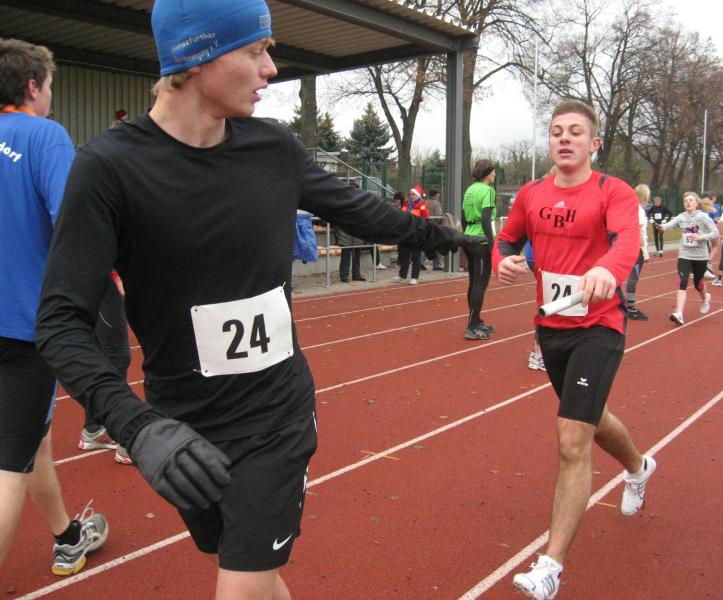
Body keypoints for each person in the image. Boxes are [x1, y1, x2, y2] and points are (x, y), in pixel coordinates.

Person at [34, 3, 480, 598]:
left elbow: (359, 210)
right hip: (182, 428)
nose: (271, 68)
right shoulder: (108, 169)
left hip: (276, 416)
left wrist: (443, 237)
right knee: (249, 571)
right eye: (255, 50)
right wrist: (136, 426)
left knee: (239, 585)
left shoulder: (273, 149)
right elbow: (60, 322)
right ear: (197, 56)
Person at [494, 100, 655, 600]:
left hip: (599, 326)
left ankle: (550, 567)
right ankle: (639, 466)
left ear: (593, 143)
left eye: (576, 132)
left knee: (570, 437)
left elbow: (627, 240)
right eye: (557, 131)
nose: (565, 139)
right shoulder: (531, 194)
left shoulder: (613, 191)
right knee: (590, 417)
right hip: (552, 328)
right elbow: (506, 240)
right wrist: (504, 261)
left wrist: (608, 268)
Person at [1, 37, 108, 576]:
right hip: (22, 327)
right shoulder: (44, 135)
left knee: (29, 441)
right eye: (49, 88)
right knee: (7, 467)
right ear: (32, 86)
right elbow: (75, 223)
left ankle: (67, 536)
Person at [78, 272, 133, 464]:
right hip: (104, 275)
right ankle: (122, 434)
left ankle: (94, 428)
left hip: (98, 274)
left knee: (101, 352)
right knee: (116, 354)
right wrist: (115, 274)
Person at [658, 191, 719, 325]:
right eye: (686, 201)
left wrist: (700, 237)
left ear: (696, 203)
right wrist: (662, 227)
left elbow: (715, 233)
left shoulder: (703, 217)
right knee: (682, 282)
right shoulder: (682, 217)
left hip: (700, 256)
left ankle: (705, 298)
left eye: (691, 200)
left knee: (698, 283)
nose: (688, 203)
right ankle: (679, 313)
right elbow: (668, 225)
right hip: (685, 254)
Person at [462, 159, 497, 339]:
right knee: (480, 284)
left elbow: (463, 217)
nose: (495, 174)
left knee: (473, 282)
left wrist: (465, 236)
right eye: (493, 171)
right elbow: (485, 220)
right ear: (487, 173)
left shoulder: (469, 189)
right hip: (481, 241)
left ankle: (475, 320)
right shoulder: (488, 191)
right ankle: (472, 325)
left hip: (469, 237)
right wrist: (492, 245)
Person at [392, 184, 430, 285]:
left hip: (416, 234)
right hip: (405, 233)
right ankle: (402, 275)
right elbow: (401, 215)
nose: (411, 196)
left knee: (415, 256)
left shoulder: (422, 205)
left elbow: (425, 219)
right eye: (410, 194)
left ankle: (414, 277)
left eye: (413, 194)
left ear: (418, 195)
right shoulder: (406, 203)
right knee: (403, 255)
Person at [625, 184, 651, 321]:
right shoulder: (639, 210)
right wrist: (645, 250)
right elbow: (639, 232)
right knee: (633, 277)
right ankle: (631, 308)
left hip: (626, 246)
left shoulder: (628, 208)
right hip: (635, 248)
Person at [524, 241, 545, 371]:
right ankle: (538, 354)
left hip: (546, 255)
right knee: (548, 302)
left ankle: (540, 353)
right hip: (540, 256)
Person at [699, 191, 722, 278]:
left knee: (701, 249)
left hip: (700, 231)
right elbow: (715, 220)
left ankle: (704, 267)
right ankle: (706, 266)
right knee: (712, 247)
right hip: (707, 231)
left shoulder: (698, 206)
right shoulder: (714, 207)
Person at [426, 188, 445, 270]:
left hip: (425, 225)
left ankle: (421, 262)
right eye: (438, 195)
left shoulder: (425, 202)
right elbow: (438, 216)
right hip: (434, 226)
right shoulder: (436, 204)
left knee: (425, 244)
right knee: (437, 245)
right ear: (436, 195)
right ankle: (436, 264)